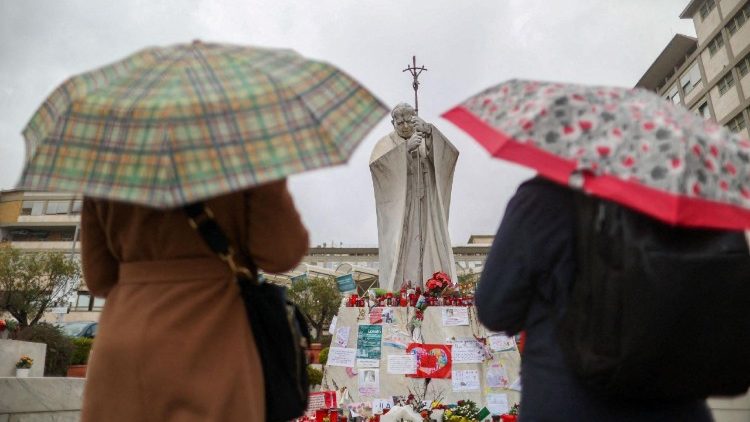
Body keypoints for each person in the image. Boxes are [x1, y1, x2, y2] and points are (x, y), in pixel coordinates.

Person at [475, 177, 712, 421]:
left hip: (566, 398)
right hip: (673, 401)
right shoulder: (686, 200)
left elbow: (495, 309)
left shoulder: (544, 197)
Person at [80, 180, 309, 421]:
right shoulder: (239, 156)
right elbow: (282, 253)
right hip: (215, 336)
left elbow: (99, 279)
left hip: (123, 340)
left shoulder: (107, 165)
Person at [370, 103, 458, 291]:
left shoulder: (423, 136)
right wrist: (405, 150)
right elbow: (378, 167)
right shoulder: (385, 143)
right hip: (402, 207)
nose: (404, 126)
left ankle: (433, 285)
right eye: (399, 122)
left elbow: (449, 155)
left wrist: (429, 132)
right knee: (404, 246)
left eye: (408, 121)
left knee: (429, 242)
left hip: (426, 204)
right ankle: (402, 289)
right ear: (393, 122)